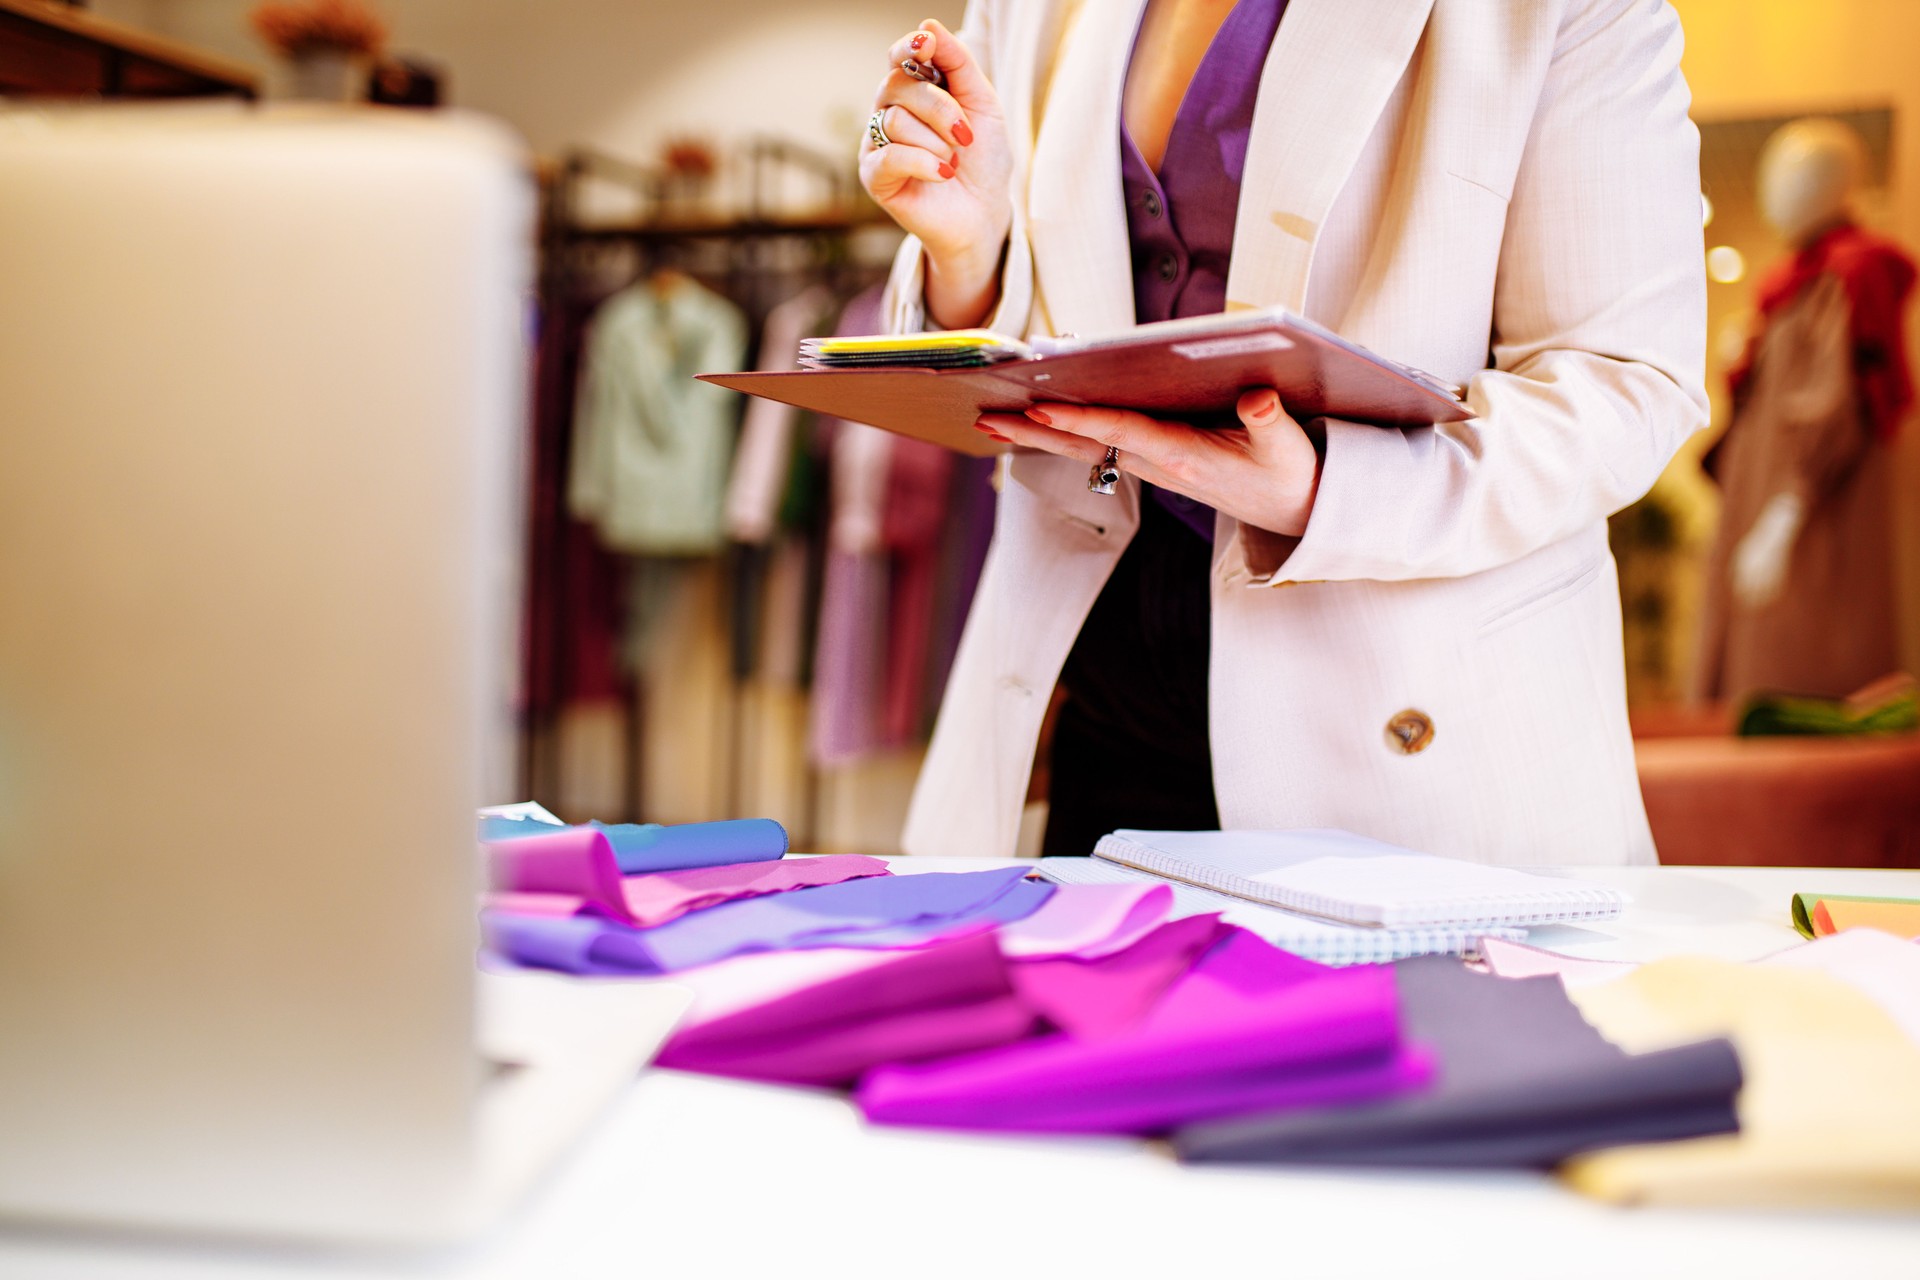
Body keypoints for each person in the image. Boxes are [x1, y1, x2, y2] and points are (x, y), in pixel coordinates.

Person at [859, 0, 1708, 864]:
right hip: (1102, 680)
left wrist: (1329, 489)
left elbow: (1626, 385)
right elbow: (1010, 353)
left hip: (1413, 714)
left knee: (1405, 1002)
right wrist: (965, 256)